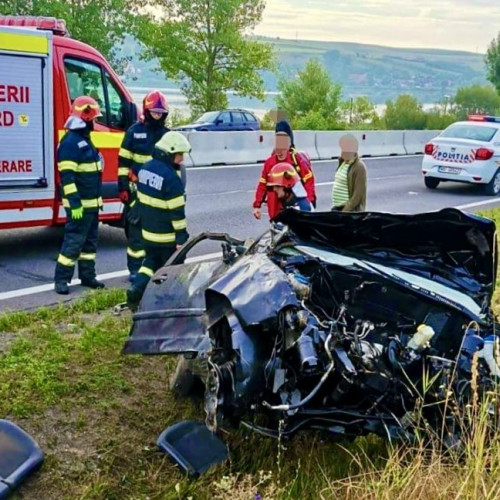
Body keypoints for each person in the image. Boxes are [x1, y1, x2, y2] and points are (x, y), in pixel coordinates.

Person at [126, 131, 191, 311]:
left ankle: (136, 291)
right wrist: (181, 238)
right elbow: (177, 213)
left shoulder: (145, 169)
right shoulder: (172, 179)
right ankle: (176, 304)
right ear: (169, 153)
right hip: (166, 237)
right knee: (174, 271)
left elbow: (140, 197)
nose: (182, 159)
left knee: (149, 264)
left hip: (148, 234)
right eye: (180, 155)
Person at [54, 96, 106, 295]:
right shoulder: (70, 143)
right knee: (73, 242)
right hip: (80, 206)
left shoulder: (84, 140)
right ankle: (61, 280)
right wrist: (74, 204)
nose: (95, 123)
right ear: (85, 118)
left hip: (91, 206)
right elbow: (67, 178)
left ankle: (87, 276)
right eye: (94, 119)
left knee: (89, 244)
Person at [118, 90, 170, 281]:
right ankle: (134, 271)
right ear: (147, 111)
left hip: (159, 194)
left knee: (157, 234)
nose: (157, 115)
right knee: (136, 235)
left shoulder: (167, 136)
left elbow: (175, 168)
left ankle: (154, 270)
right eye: (154, 112)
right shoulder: (134, 132)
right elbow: (123, 163)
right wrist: (123, 188)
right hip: (136, 193)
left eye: (160, 112)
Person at [252, 120, 316, 221]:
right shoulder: (269, 162)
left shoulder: (297, 160)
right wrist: (257, 205)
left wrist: (309, 202)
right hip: (275, 210)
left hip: (293, 209)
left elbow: (308, 181)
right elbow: (263, 184)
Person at [331, 133, 367, 212]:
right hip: (338, 208)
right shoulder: (343, 162)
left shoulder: (359, 166)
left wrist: (345, 211)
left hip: (349, 211)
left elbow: (358, 195)